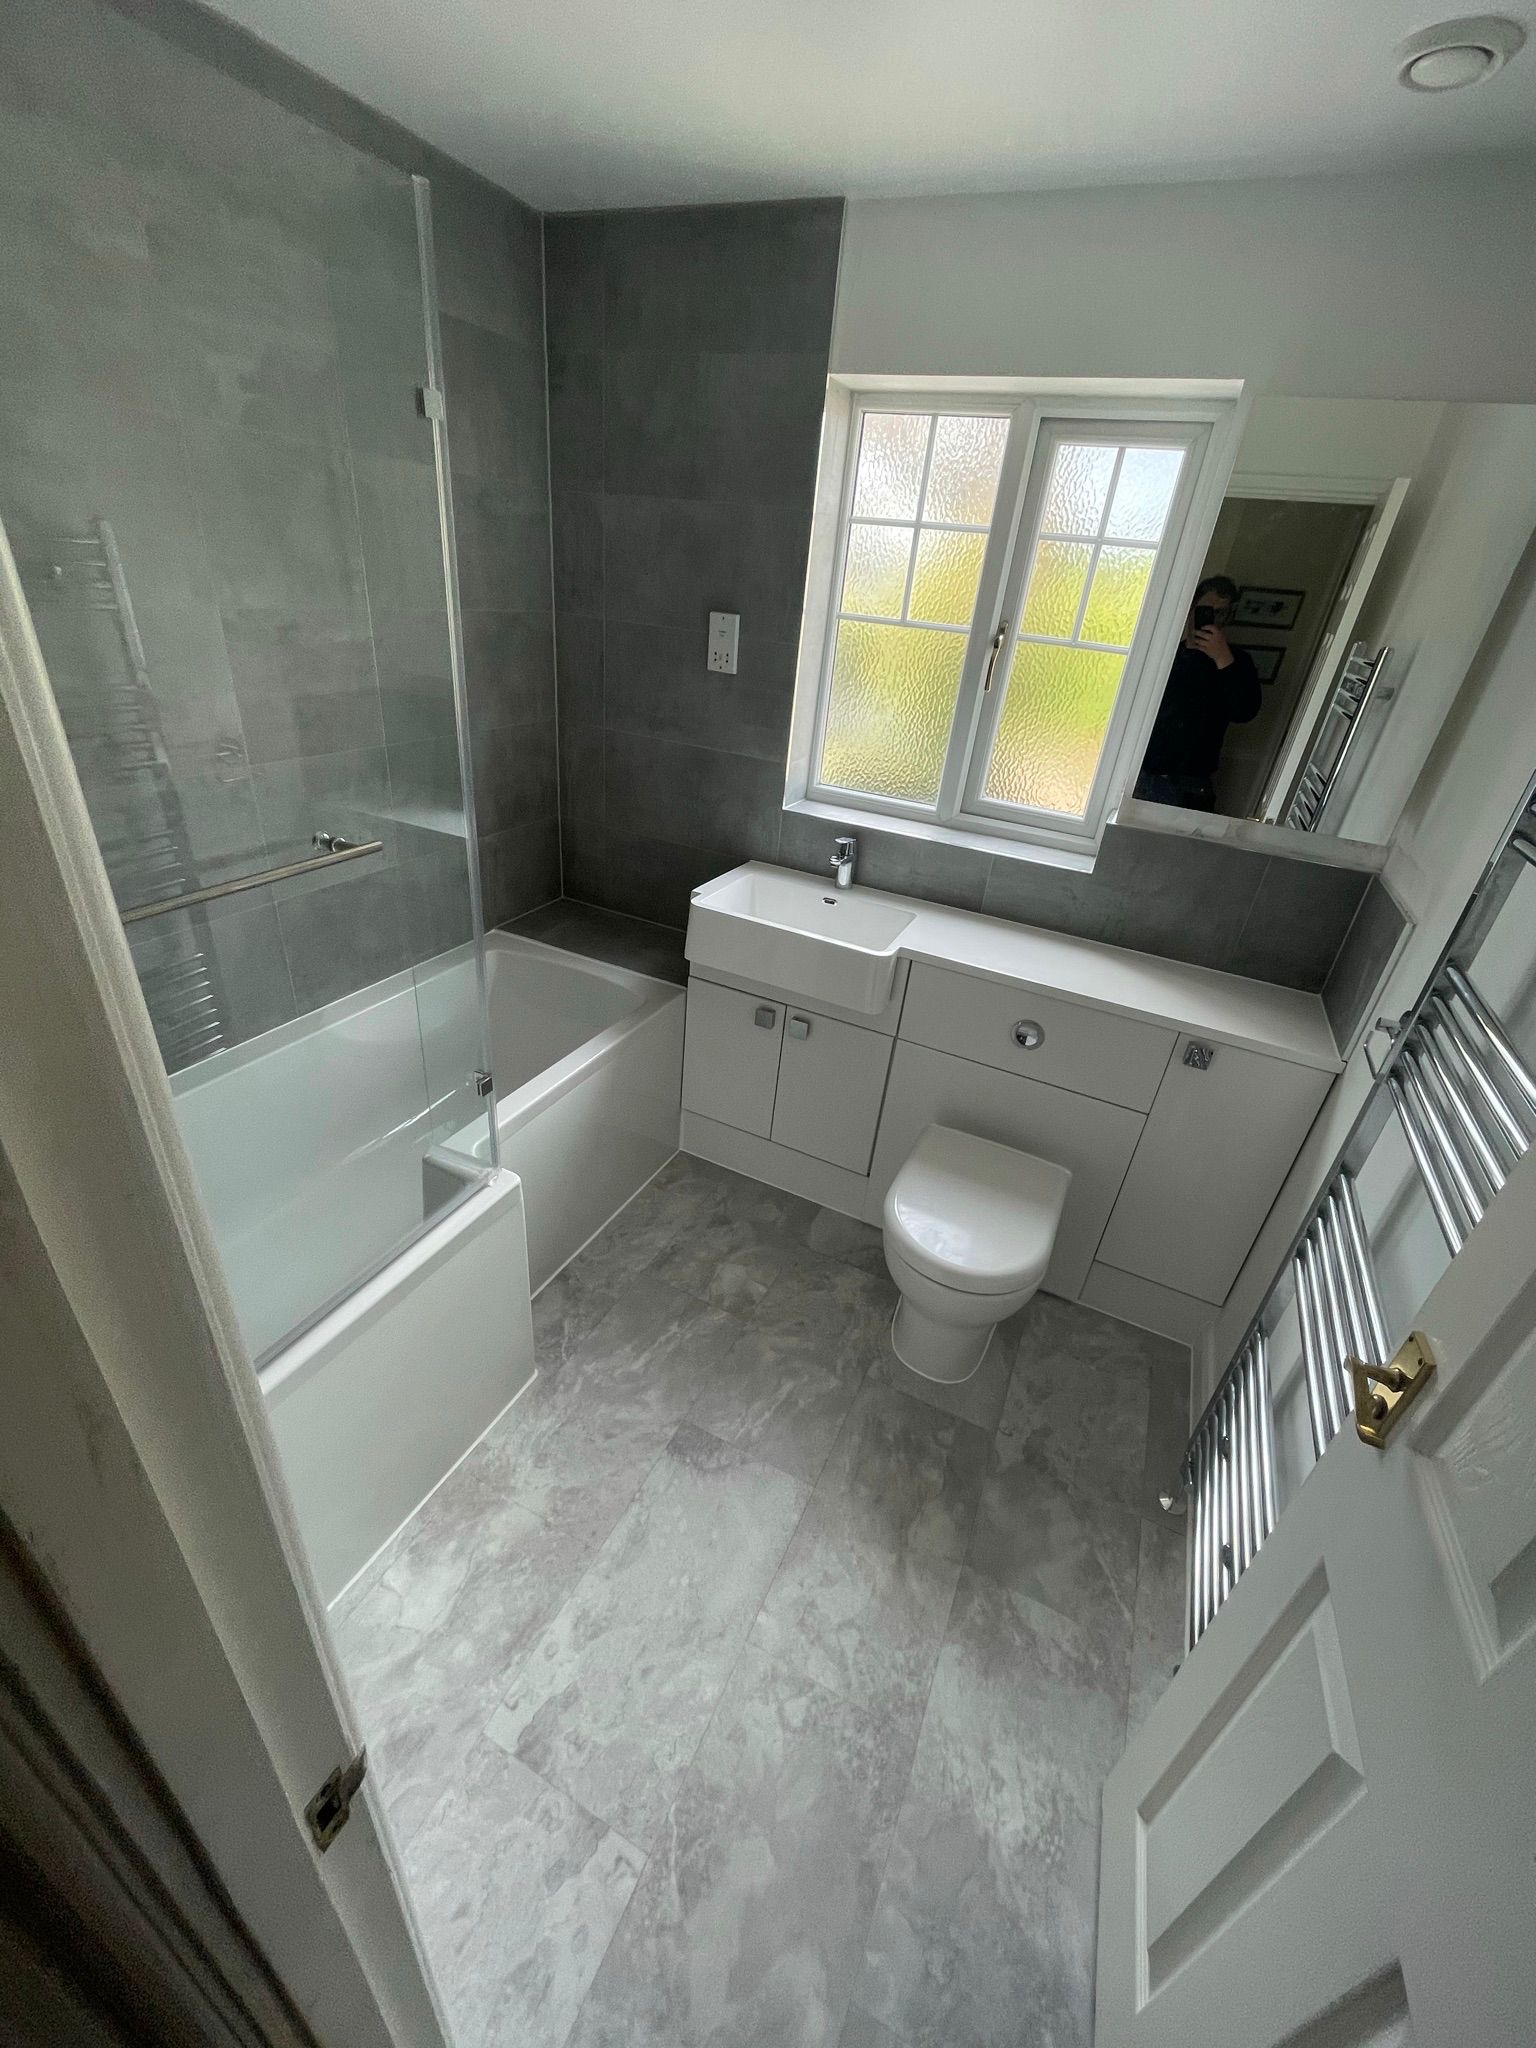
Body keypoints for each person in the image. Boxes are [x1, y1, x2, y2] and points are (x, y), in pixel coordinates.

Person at [1134, 574, 1262, 812]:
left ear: (1229, 616)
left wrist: (1223, 660)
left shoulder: (1237, 661)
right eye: (1207, 610)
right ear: (1191, 610)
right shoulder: (1165, 655)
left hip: (1192, 783)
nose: (1213, 618)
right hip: (1144, 773)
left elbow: (1245, 711)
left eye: (1221, 612)